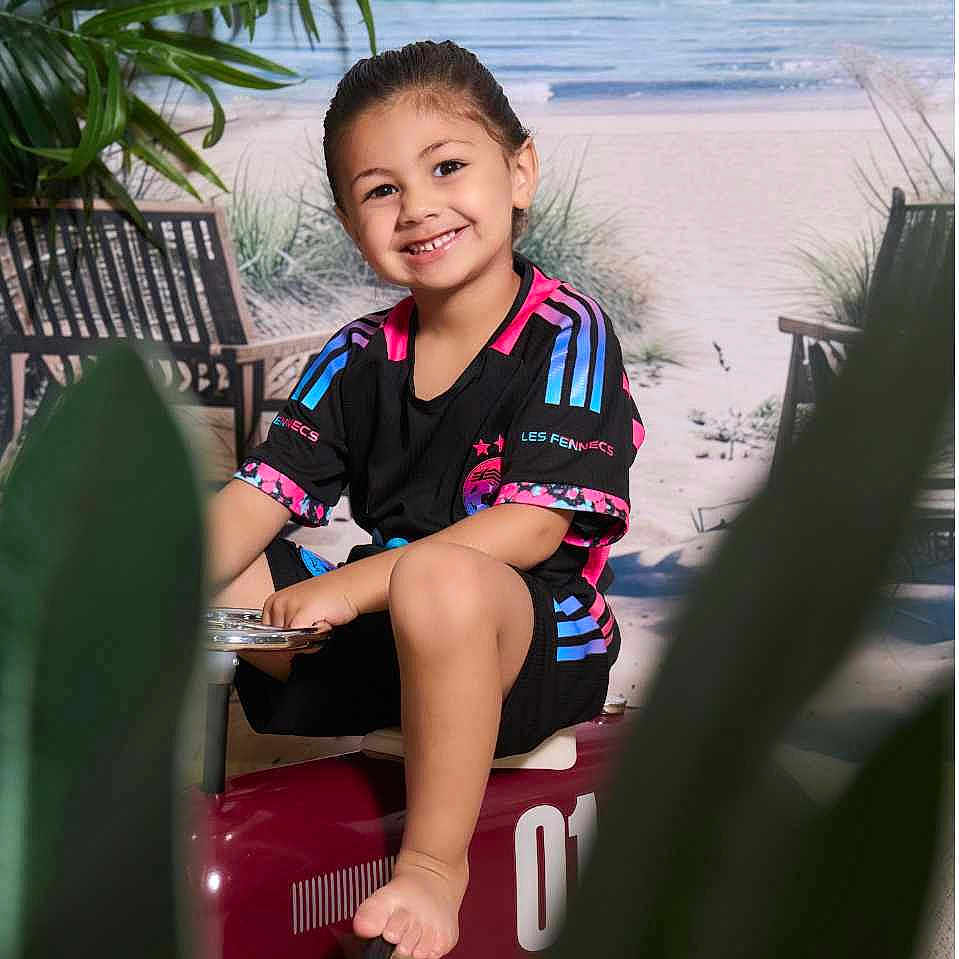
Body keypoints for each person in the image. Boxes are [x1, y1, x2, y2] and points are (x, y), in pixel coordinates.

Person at [207, 39, 644, 959]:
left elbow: (531, 525)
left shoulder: (566, 329)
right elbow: (259, 495)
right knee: (211, 558)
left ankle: (434, 870)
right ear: (348, 217)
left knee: (436, 579)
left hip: (527, 637)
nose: (419, 206)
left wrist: (352, 589)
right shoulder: (357, 351)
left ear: (518, 172)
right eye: (380, 189)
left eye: (447, 166)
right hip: (390, 635)